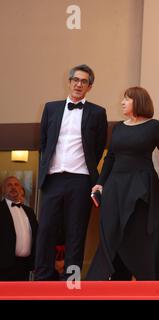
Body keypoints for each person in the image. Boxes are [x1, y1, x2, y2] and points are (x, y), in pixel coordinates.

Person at [87, 86, 159, 280]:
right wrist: (100, 183)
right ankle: (112, 279)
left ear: (138, 101)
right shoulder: (118, 127)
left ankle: (148, 279)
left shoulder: (155, 126)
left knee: (139, 234)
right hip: (115, 187)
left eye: (127, 99)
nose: (122, 102)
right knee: (111, 230)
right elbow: (111, 158)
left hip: (142, 188)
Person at [36, 64, 108, 280]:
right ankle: (41, 281)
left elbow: (97, 149)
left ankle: (71, 282)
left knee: (76, 234)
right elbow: (44, 143)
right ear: (69, 82)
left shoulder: (98, 113)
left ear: (90, 86)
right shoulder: (51, 108)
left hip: (81, 181)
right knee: (46, 231)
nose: (78, 84)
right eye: (75, 80)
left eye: (84, 81)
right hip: (53, 179)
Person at [0, 176, 38, 281]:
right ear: (3, 190)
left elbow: (36, 236)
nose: (13, 187)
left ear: (21, 189)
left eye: (16, 185)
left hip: (25, 266)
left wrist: (35, 262)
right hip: (3, 266)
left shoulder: (29, 212)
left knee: (21, 296)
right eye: (9, 185)